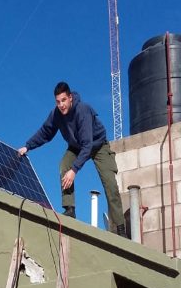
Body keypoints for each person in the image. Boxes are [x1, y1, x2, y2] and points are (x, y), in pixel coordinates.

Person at [18, 82, 126, 237]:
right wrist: (27, 146)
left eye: (63, 100)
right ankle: (70, 209)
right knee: (64, 165)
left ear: (70, 98)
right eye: (58, 102)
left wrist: (74, 170)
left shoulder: (83, 110)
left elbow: (87, 145)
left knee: (110, 184)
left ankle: (121, 228)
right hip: (76, 147)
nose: (61, 105)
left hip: (97, 145)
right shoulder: (56, 114)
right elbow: (45, 132)